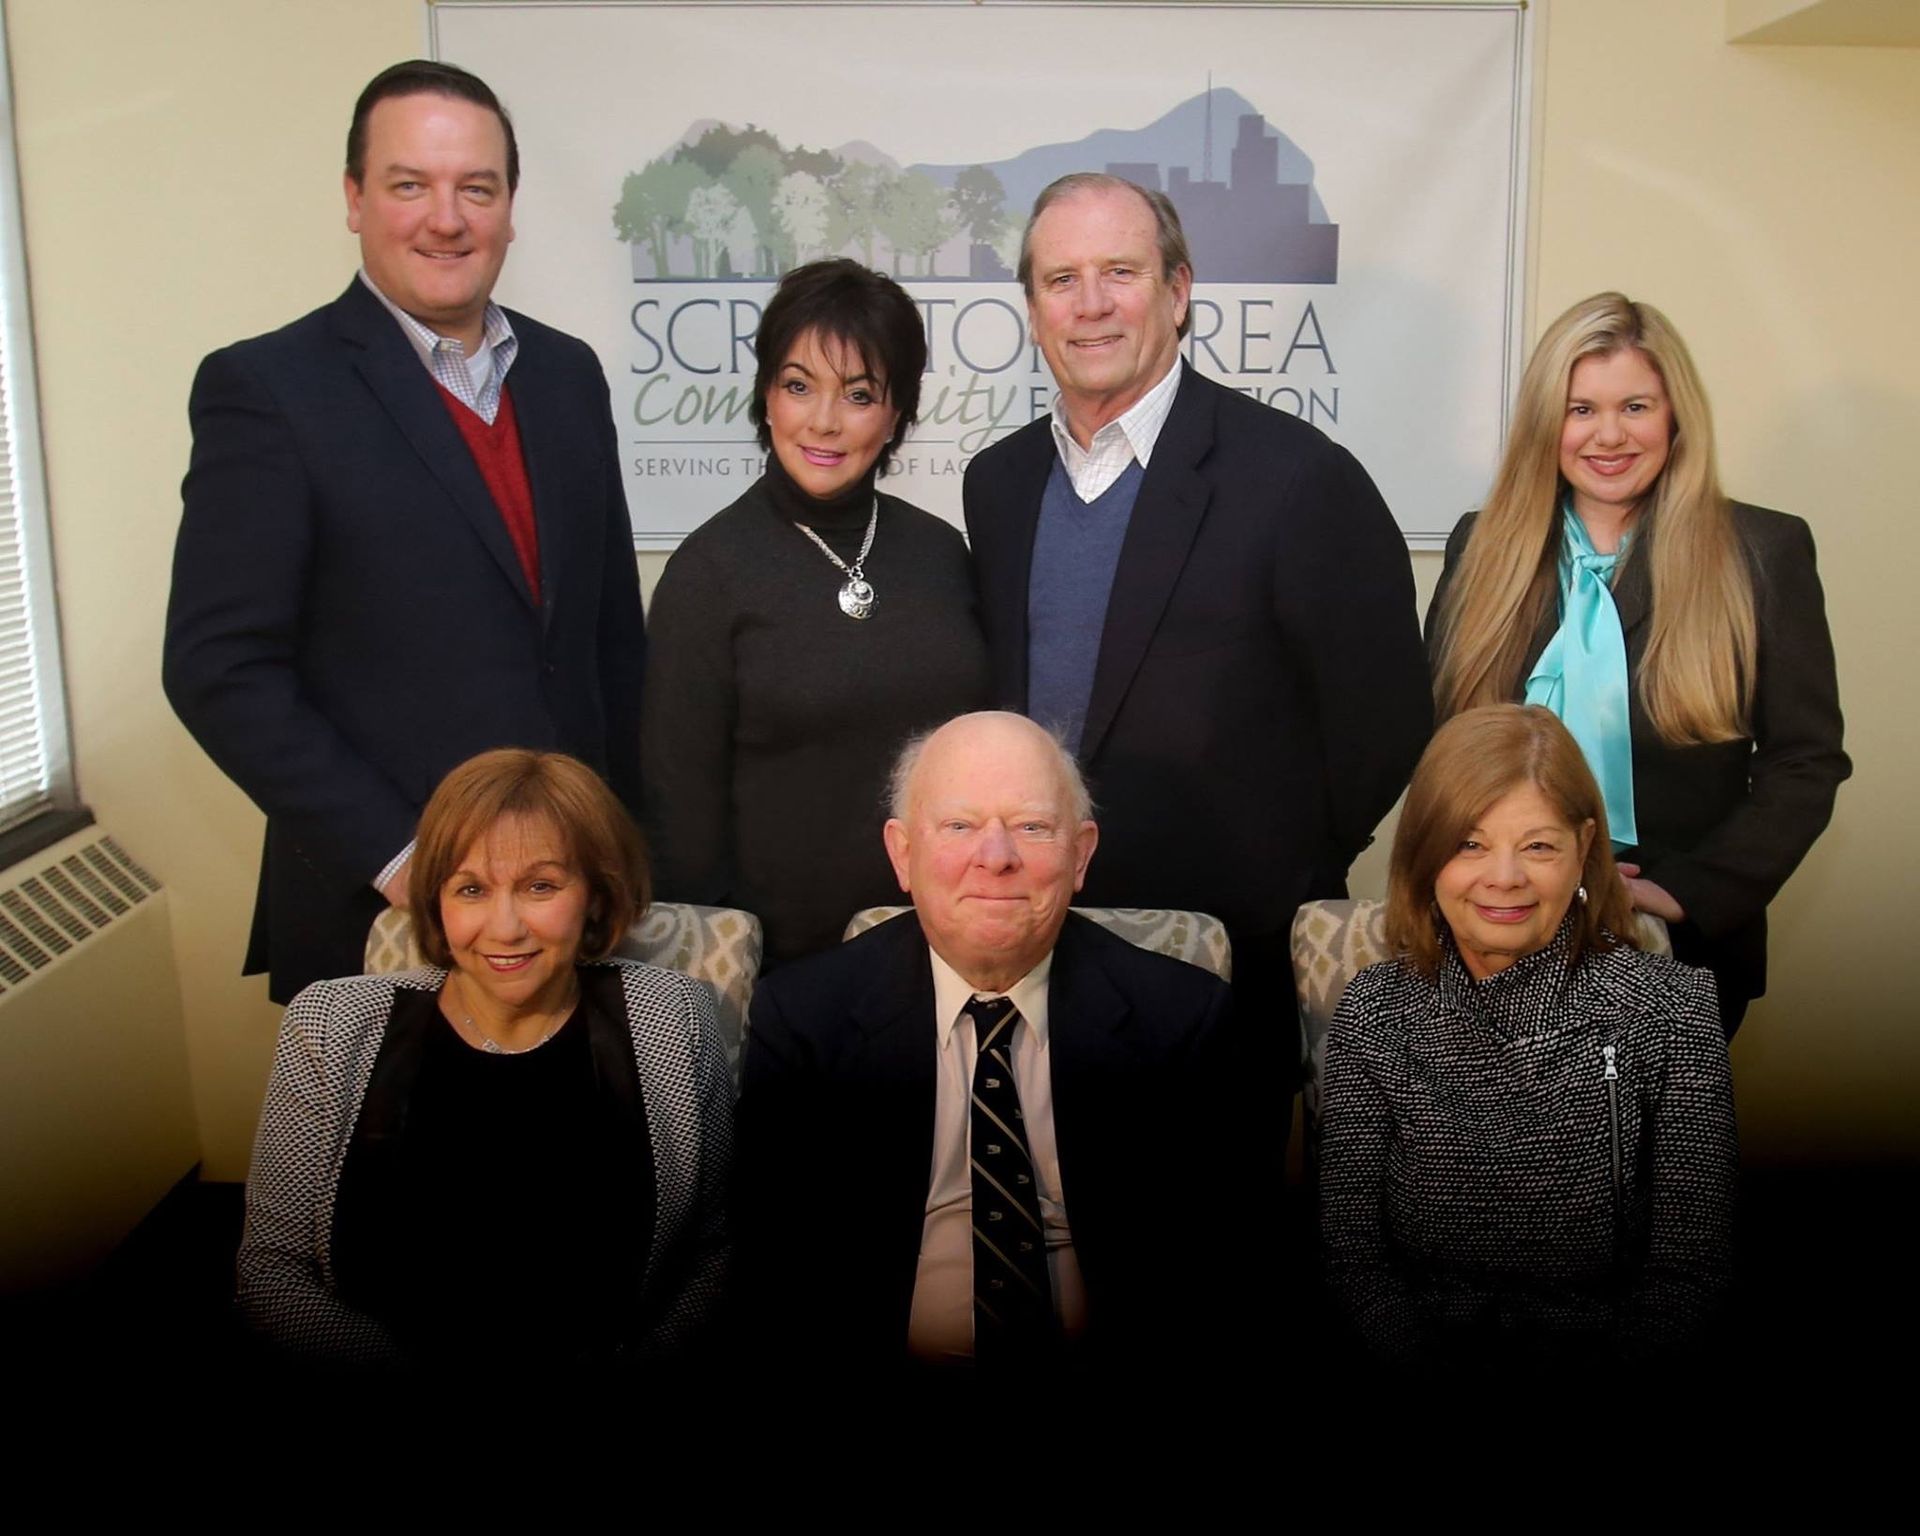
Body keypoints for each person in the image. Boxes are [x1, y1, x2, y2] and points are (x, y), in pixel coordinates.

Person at [164, 60, 645, 1004]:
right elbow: (218, 668)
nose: (447, 217)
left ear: (510, 206)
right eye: (409, 185)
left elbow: (608, 644)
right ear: (354, 198)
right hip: (378, 914)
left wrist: (618, 858)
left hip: (569, 911)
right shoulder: (269, 391)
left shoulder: (568, 375)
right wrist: (403, 859)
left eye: (477, 187)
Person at [963, 172, 1429, 1089]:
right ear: (1031, 308)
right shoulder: (999, 482)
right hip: (1037, 946)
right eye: (1061, 280)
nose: (1090, 304)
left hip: (1228, 956)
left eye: (1120, 272)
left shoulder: (1297, 479)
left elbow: (1387, 720)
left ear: (1178, 293)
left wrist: (1285, 864)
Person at [734, 711, 1240, 1376]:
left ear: (1081, 853)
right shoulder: (803, 1019)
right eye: (960, 826)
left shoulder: (1183, 1019)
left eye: (1031, 826)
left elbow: (1220, 1280)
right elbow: (775, 1277)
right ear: (902, 854)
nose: (996, 857)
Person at [1429, 292, 1848, 1036]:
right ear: (1545, 424)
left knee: (1650, 1154)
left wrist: (1685, 892)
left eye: (1636, 406)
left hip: (1676, 952)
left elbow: (1805, 763)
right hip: (1488, 932)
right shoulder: (1481, 547)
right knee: (1490, 1155)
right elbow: (1444, 744)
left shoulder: (1761, 554)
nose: (1609, 436)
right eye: (1581, 409)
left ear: (1674, 417)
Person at [237, 749, 730, 1374]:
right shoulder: (330, 1024)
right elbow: (272, 1269)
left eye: (540, 887)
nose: (504, 927)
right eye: (471, 889)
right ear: (437, 901)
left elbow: (712, 1251)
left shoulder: (674, 1016)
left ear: (596, 899)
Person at [1318, 705, 1737, 1369]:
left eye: (1538, 846)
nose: (1504, 877)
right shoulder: (1375, 1012)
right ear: (1426, 854)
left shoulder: (1672, 1011)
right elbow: (1352, 1264)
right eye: (1469, 844)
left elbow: (1691, 1275)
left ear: (1584, 849)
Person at [643, 258, 988, 966]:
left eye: (859, 394)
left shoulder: (941, 552)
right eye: (799, 386)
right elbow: (682, 831)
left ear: (898, 414)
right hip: (784, 973)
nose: (824, 422)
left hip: (949, 953)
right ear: (766, 394)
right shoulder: (707, 573)